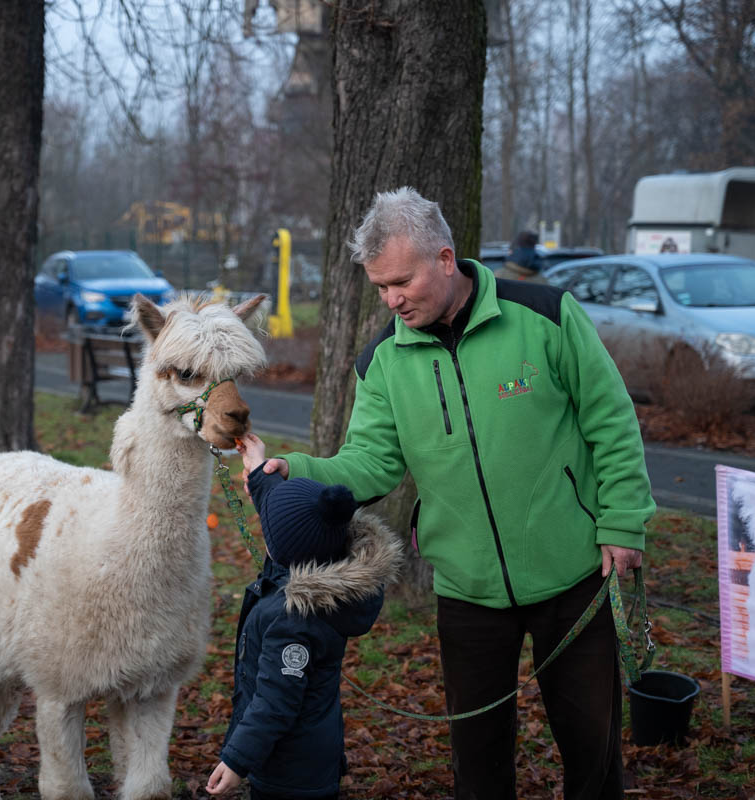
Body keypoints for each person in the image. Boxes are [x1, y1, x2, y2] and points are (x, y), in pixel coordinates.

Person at [251, 187, 655, 800]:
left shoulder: (545, 314)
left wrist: (622, 521)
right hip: (467, 590)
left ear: (444, 259)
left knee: (591, 752)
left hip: (574, 572)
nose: (391, 299)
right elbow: (372, 461)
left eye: (401, 282)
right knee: (478, 762)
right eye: (380, 287)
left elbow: (612, 419)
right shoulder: (382, 362)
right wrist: (298, 470)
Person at [207, 434, 400, 800]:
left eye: (269, 528)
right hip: (309, 759)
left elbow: (274, 703)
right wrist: (257, 463)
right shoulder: (318, 553)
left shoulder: (293, 621)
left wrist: (236, 760)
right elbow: (281, 509)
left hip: (290, 775)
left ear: (282, 551)